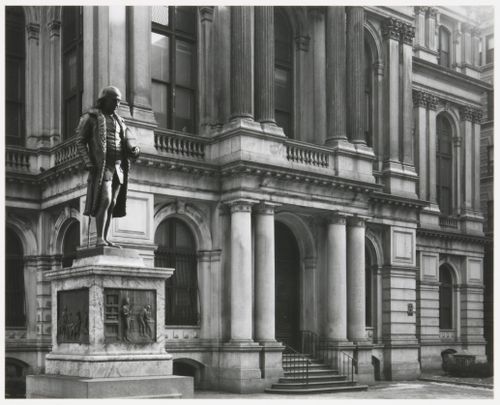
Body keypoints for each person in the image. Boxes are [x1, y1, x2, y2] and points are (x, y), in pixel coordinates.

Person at [76, 86, 140, 247]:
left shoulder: (120, 121)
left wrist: (134, 149)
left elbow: (128, 142)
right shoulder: (91, 118)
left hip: (118, 167)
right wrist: (88, 162)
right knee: (105, 199)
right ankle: (99, 239)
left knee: (112, 203)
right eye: (114, 101)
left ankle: (104, 238)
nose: (117, 105)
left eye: (119, 102)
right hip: (103, 167)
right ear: (104, 100)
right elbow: (80, 142)